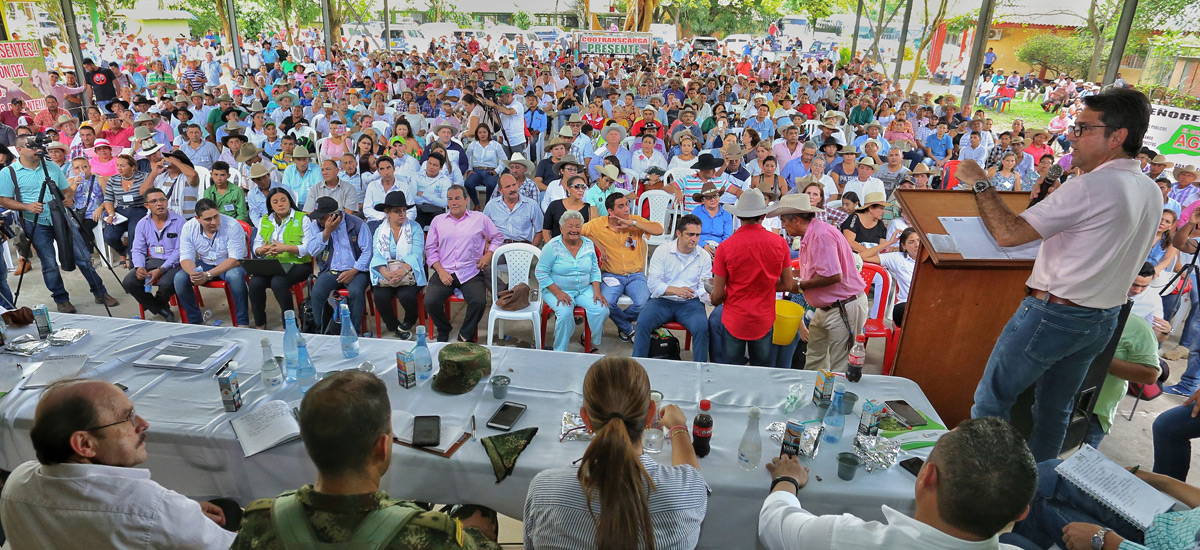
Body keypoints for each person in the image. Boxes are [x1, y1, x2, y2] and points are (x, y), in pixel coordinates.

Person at [965, 88, 1162, 462]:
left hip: (1054, 314)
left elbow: (1008, 234)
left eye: (1083, 127)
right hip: (1101, 317)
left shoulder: (1090, 185)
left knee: (992, 399)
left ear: (1117, 136)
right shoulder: (1150, 189)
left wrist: (978, 180)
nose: (1071, 135)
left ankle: (983, 488)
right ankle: (1040, 490)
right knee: (1055, 410)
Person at [232, 370, 500, 550]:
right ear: (382, 446)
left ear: (306, 441)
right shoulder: (435, 536)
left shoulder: (260, 522)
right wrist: (474, 534)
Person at [0, 379, 238, 548]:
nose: (143, 424)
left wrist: (182, 517)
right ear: (84, 444)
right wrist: (177, 517)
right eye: (127, 418)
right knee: (231, 511)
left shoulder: (17, 482)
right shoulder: (153, 509)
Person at [758, 417, 1036, 550]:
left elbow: (774, 523)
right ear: (1021, 513)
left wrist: (786, 479)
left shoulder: (844, 539)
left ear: (926, 477)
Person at [524, 357, 708, 549]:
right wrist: (678, 428)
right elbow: (691, 476)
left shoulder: (543, 491)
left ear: (586, 418)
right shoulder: (689, 492)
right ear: (651, 414)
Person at [0, 135, 118, 313]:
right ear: (19, 150)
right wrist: (26, 207)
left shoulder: (51, 167)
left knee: (84, 257)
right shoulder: (8, 173)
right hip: (36, 222)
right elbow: (3, 200)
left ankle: (100, 292)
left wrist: (69, 198)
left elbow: (65, 191)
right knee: (49, 263)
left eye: (37, 146)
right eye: (30, 147)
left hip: (61, 217)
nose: (36, 149)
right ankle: (61, 298)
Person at [1010, 451, 1200, 550]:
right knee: (1057, 471)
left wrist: (1107, 541)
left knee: (1040, 505)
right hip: (1166, 521)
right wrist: (1159, 480)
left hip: (1139, 545)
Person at [774, 193, 868, 371]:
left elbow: (833, 276)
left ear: (796, 220)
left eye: (784, 221)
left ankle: (832, 398)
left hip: (843, 307)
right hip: (828, 308)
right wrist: (782, 276)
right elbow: (813, 269)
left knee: (839, 366)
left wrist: (800, 285)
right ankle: (813, 394)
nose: (783, 226)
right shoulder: (811, 234)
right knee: (814, 359)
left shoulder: (820, 235)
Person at [710, 189, 793, 366]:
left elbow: (717, 295)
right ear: (763, 216)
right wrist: (765, 285)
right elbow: (788, 283)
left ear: (739, 216)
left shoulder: (725, 247)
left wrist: (723, 296)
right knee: (761, 370)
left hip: (735, 318)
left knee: (732, 370)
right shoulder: (779, 243)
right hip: (763, 319)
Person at [424, 185, 505, 342]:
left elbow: (497, 237)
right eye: (450, 199)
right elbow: (430, 248)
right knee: (430, 301)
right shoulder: (438, 221)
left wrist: (488, 255)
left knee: (479, 302)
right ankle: (444, 328)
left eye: (457, 198)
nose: (454, 202)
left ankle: (465, 334)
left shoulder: (479, 218)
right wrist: (440, 271)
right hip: (445, 270)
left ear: (466, 200)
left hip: (471, 271)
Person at [582, 193, 664, 342]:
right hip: (611, 275)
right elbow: (576, 233)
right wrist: (596, 242)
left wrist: (633, 223)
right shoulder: (598, 224)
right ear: (610, 211)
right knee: (606, 302)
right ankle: (628, 329)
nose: (627, 209)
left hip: (636, 275)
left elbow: (659, 230)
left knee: (644, 302)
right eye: (621, 206)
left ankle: (622, 324)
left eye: (627, 204)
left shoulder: (635, 221)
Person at [634, 214, 712, 362]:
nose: (694, 239)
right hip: (663, 301)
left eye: (697, 235)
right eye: (690, 234)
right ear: (678, 233)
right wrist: (676, 290)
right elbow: (653, 284)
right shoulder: (662, 251)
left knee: (702, 328)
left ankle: (700, 370)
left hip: (691, 304)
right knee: (643, 322)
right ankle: (638, 367)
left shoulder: (704, 256)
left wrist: (709, 296)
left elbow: (702, 287)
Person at [535, 210, 608, 352]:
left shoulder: (588, 244)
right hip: (556, 289)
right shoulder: (552, 246)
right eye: (570, 226)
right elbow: (541, 272)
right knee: (565, 312)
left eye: (577, 226)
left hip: (584, 289)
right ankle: (560, 350)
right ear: (561, 229)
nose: (574, 230)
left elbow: (594, 270)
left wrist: (597, 291)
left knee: (602, 310)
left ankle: (588, 338)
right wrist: (558, 293)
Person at [304, 196, 372, 335]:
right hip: (331, 270)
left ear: (335, 214)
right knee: (317, 292)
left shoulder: (358, 224)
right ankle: (321, 330)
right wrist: (326, 232)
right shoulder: (317, 226)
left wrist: (353, 271)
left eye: (323, 218)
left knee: (356, 292)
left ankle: (354, 332)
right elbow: (312, 250)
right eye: (319, 218)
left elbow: (368, 252)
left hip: (356, 270)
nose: (321, 221)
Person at [175, 198, 249, 325]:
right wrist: (194, 274)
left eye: (216, 216)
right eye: (208, 219)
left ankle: (242, 322)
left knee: (235, 276)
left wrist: (208, 275)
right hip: (205, 263)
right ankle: (196, 322)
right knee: (179, 278)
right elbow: (186, 257)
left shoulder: (232, 225)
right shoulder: (188, 227)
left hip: (229, 264)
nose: (214, 222)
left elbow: (235, 259)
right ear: (197, 218)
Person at [248, 188, 314, 330]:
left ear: (289, 201)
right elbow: (257, 245)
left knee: (278, 282)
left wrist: (286, 248)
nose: (280, 204)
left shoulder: (303, 218)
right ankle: (260, 324)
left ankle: (289, 325)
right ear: (271, 205)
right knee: (255, 283)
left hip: (299, 264)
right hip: (274, 264)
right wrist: (261, 250)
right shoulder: (265, 220)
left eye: (283, 200)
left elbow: (309, 248)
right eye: (275, 202)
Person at [370, 191, 426, 340]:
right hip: (387, 270)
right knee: (380, 296)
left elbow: (417, 253)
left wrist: (402, 271)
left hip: (409, 270)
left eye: (404, 210)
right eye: (397, 211)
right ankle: (394, 327)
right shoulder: (379, 230)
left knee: (406, 295)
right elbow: (377, 254)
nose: (402, 214)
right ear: (387, 212)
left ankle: (409, 321)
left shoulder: (415, 227)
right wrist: (385, 273)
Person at [123, 187, 185, 322]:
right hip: (154, 260)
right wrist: (139, 266)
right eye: (154, 201)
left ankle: (158, 305)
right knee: (129, 282)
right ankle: (161, 308)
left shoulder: (180, 222)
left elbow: (180, 251)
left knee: (166, 283)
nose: (159, 204)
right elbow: (138, 249)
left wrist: (162, 269)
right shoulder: (142, 224)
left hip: (175, 262)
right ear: (147, 205)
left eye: (162, 200)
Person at [863, 227, 919, 326]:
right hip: (905, 305)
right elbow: (863, 256)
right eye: (911, 242)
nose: (917, 245)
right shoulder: (898, 258)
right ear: (904, 246)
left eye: (919, 240)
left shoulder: (933, 259)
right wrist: (888, 243)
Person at [484, 174, 544, 246]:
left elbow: (540, 231)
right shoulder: (491, 205)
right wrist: (488, 246)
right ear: (500, 190)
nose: (512, 189)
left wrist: (531, 250)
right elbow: (483, 229)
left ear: (518, 185)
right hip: (498, 246)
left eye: (514, 185)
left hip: (523, 246)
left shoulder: (532, 205)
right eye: (508, 187)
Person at [465, 124, 506, 207]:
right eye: (480, 132)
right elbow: (467, 158)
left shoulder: (495, 145)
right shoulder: (473, 144)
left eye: (484, 132)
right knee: (468, 184)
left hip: (490, 171)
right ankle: (476, 204)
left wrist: (497, 170)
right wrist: (469, 169)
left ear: (488, 133)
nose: (482, 134)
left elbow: (504, 160)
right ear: (477, 134)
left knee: (491, 185)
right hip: (476, 171)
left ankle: (488, 205)